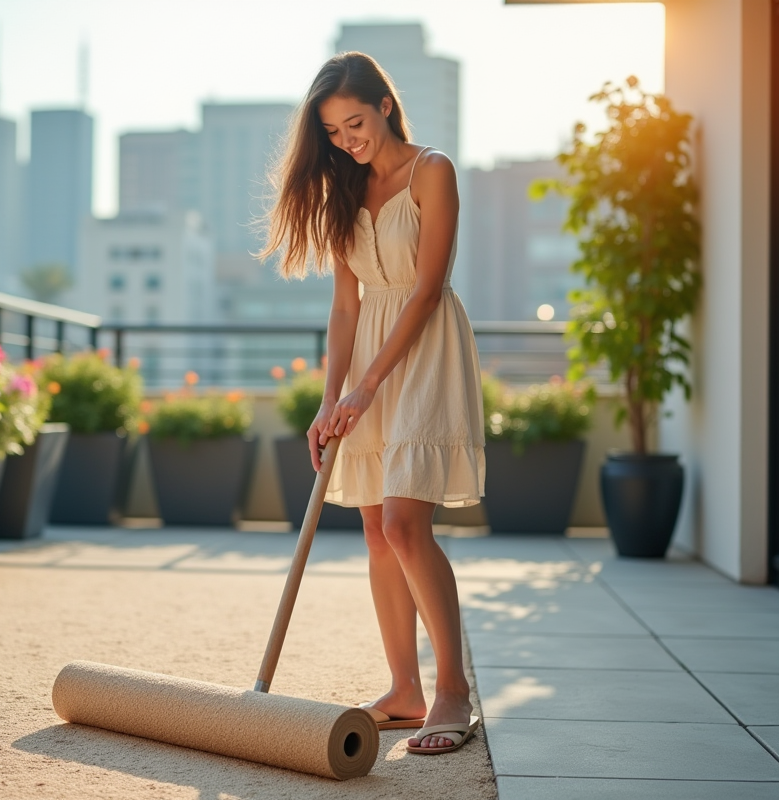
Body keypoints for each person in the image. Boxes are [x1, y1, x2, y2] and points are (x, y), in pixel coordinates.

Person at [259, 51, 486, 756]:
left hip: (422, 354)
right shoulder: (343, 191)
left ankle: (453, 691)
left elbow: (425, 291)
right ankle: (404, 689)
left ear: (385, 105)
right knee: (375, 530)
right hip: (364, 365)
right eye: (332, 131)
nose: (347, 139)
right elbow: (345, 308)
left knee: (406, 523)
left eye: (354, 122)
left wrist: (366, 387)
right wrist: (331, 401)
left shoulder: (433, 171)